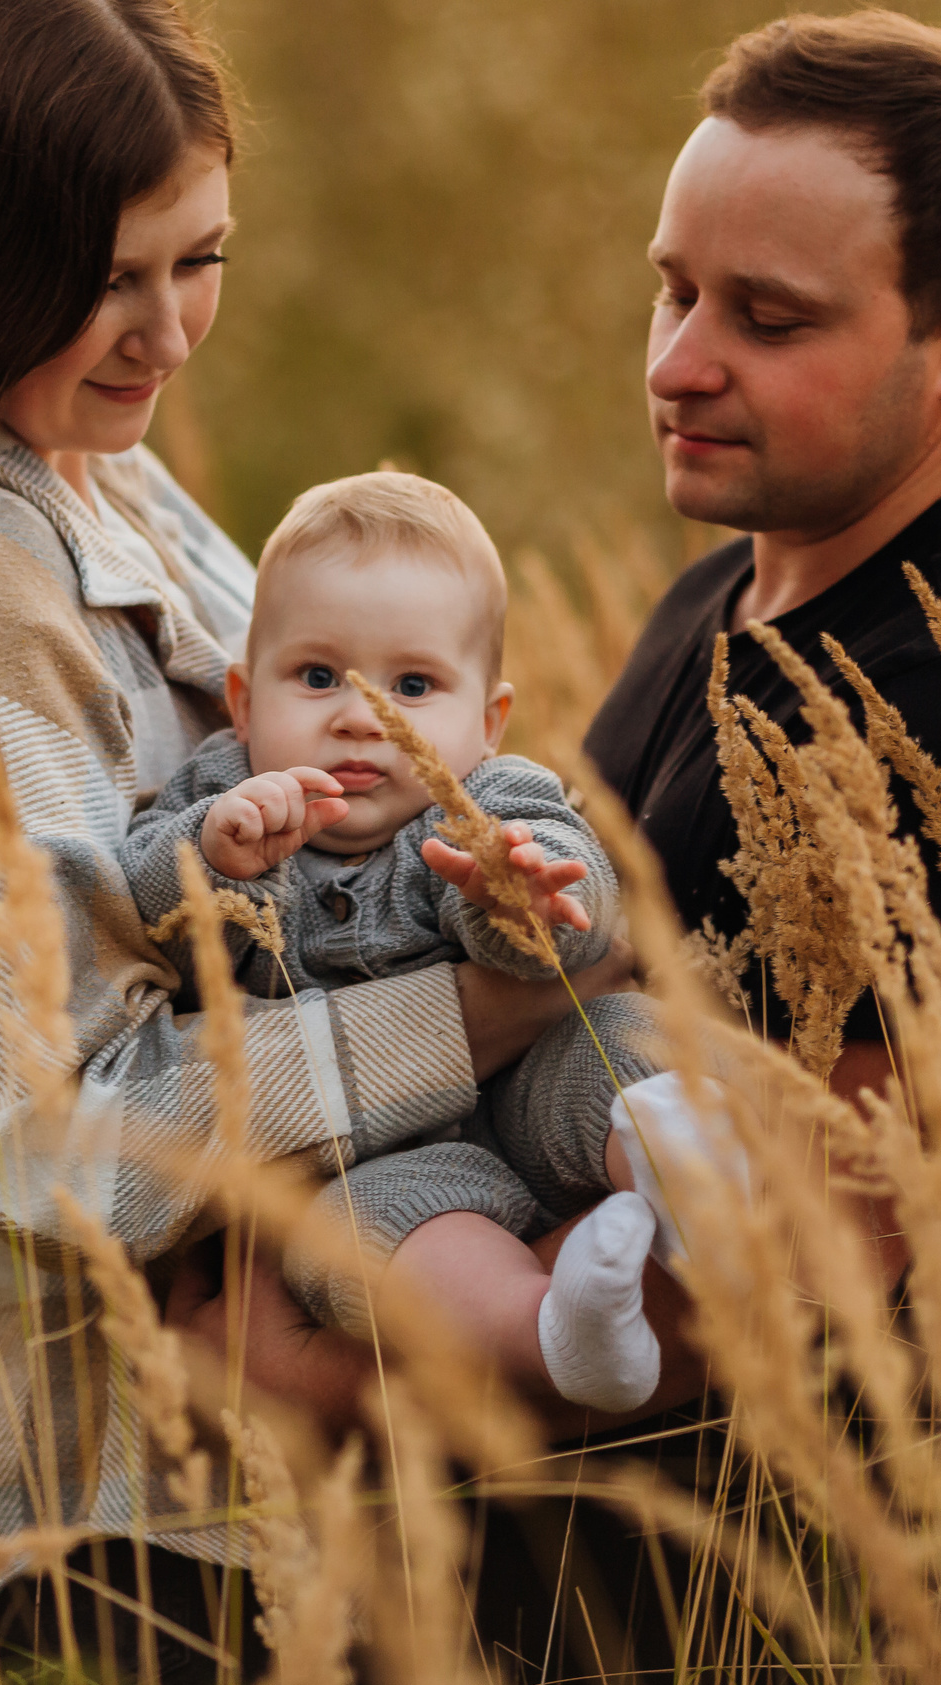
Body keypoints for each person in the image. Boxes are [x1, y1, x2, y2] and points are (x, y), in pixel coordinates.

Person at [0, 2, 631, 1685]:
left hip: (211, 1523)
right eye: (109, 279)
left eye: (201, 258)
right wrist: (465, 1027)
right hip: (75, 1556)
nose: (167, 332)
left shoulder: (117, 490)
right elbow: (41, 1131)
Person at [476, 13, 941, 1685]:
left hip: (837, 1632)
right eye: (674, 289)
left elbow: (806, 1258)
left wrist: (329, 1328)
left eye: (766, 318)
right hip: (594, 1615)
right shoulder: (722, 600)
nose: (675, 360)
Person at [119, 470, 734, 1413]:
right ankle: (558, 1331)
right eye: (317, 676)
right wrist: (211, 852)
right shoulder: (223, 796)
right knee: (374, 1243)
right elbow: (142, 890)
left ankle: (697, 1179)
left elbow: (579, 904)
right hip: (372, 1162)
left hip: (529, 1092)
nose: (361, 716)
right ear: (242, 703)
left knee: (621, 1036)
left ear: (487, 723)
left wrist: (519, 895)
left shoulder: (487, 798)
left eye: (411, 685)